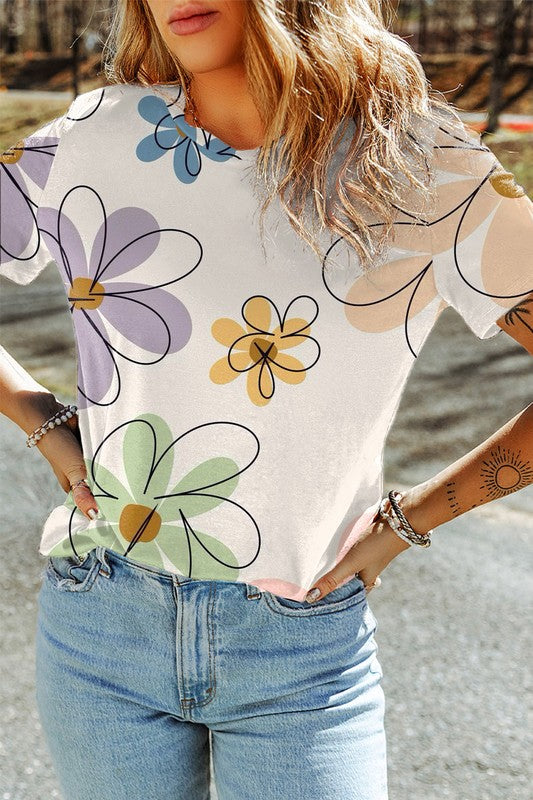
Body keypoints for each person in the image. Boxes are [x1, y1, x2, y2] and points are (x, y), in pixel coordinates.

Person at [0, 1, 531, 798]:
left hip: (302, 651)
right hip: (101, 623)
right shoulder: (92, 140)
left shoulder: (425, 165)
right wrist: (39, 419)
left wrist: (408, 520)